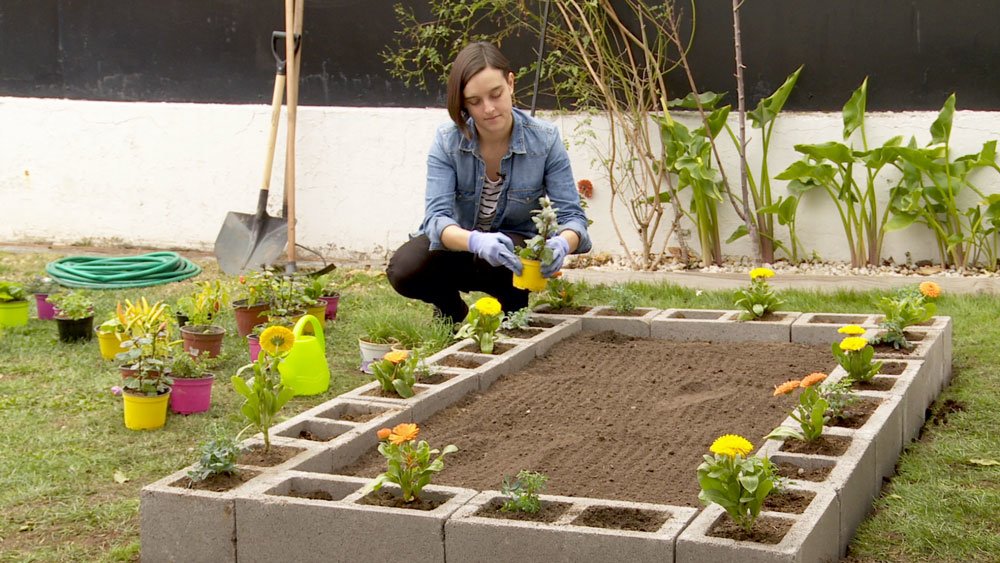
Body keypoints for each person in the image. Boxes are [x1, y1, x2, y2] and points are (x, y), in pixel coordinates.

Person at [387, 42, 591, 324]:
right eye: (474, 101)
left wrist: (561, 244)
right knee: (404, 268)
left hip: (510, 259)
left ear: (510, 83)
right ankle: (450, 308)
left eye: (495, 94)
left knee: (511, 294)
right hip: (458, 247)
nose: (489, 108)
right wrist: (475, 240)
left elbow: (574, 217)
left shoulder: (545, 140)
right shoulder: (447, 142)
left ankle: (511, 304)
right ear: (462, 103)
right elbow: (436, 219)